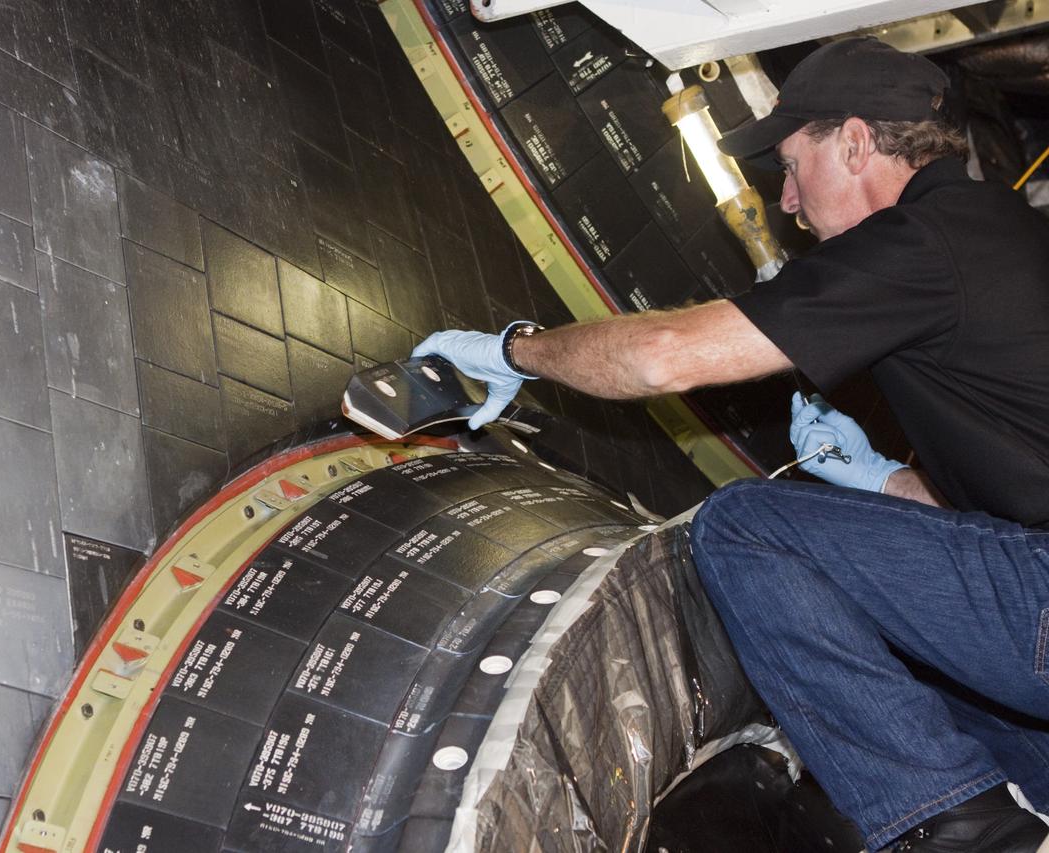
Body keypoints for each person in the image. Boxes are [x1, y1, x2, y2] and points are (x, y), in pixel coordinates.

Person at [413, 37, 1049, 853]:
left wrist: (512, 351)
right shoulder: (993, 230)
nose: (785, 199)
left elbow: (658, 355)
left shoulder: (923, 243)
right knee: (911, 662)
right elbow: (992, 517)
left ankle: (967, 832)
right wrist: (883, 479)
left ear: (855, 142)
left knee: (745, 527)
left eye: (792, 163)